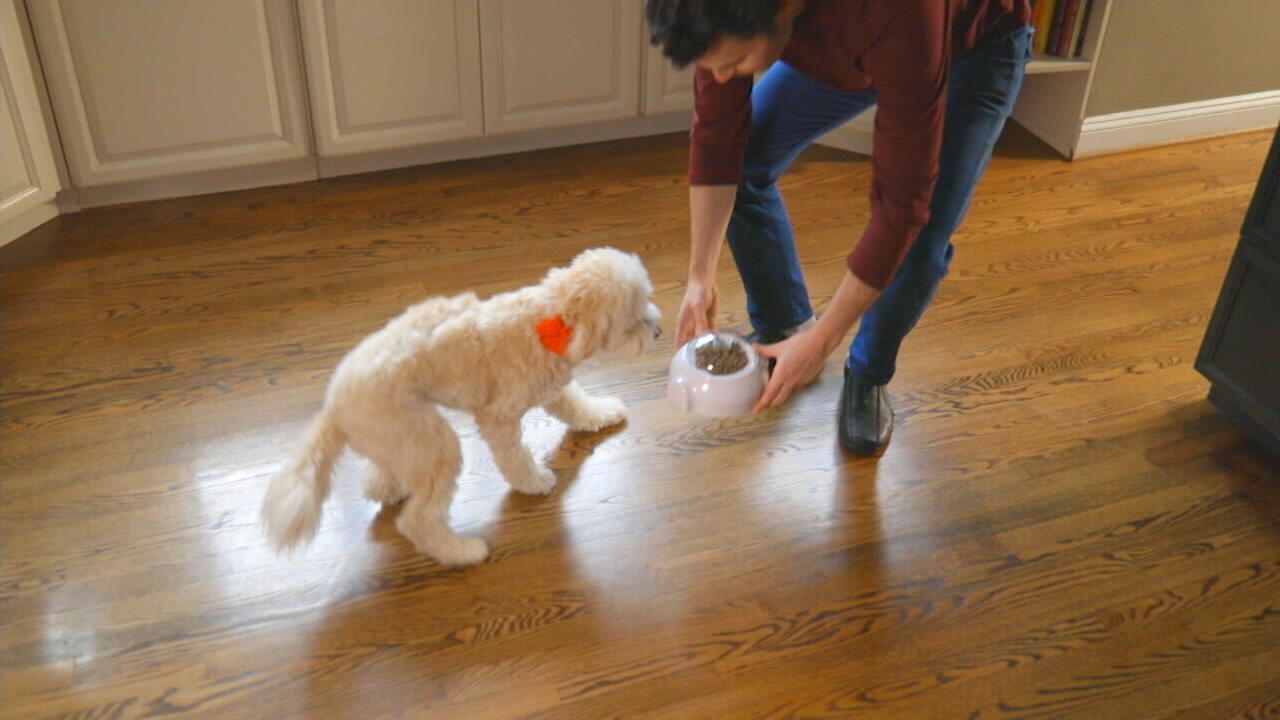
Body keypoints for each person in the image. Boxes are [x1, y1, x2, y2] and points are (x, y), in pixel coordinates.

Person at [646, 0, 1034, 454]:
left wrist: (824, 340)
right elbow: (717, 136)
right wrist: (699, 277)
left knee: (920, 242)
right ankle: (785, 325)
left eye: (735, 62)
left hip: (975, 46)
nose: (727, 76)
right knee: (747, 162)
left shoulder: (898, 15)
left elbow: (901, 207)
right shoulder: (721, 15)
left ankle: (867, 374)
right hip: (853, 37)